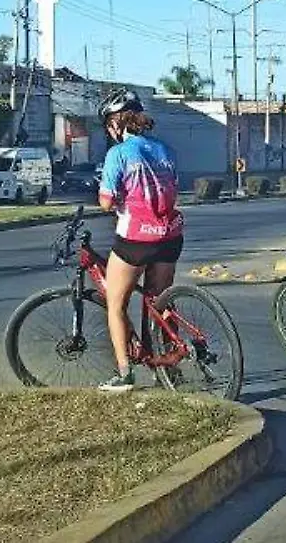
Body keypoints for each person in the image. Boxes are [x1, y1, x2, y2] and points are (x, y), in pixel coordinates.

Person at [96, 89, 184, 392]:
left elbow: (106, 202)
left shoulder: (117, 154)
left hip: (136, 240)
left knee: (115, 304)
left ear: (115, 124)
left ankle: (124, 375)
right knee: (160, 303)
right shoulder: (166, 150)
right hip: (171, 235)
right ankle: (171, 362)